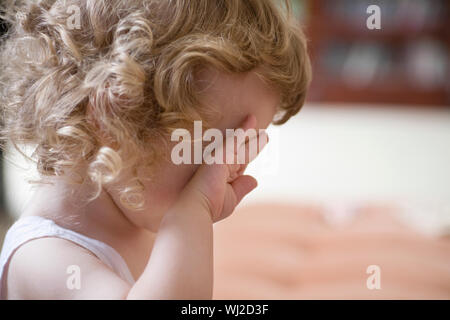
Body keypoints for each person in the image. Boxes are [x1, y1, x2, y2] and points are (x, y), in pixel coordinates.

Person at [0, 0, 311, 299]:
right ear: (114, 122)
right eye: (212, 153)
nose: (229, 173)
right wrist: (191, 215)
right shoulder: (43, 259)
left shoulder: (134, 215)